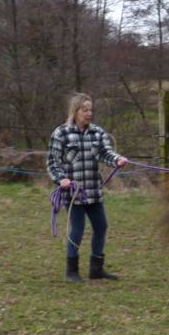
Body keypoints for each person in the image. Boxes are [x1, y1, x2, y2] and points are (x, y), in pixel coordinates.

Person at [47, 93, 129, 282]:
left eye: (90, 110)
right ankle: (72, 270)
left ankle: (96, 269)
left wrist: (117, 159)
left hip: (93, 190)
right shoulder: (61, 133)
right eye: (85, 110)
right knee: (77, 228)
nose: (88, 113)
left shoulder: (97, 133)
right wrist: (61, 179)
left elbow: (105, 153)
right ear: (75, 111)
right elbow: (52, 162)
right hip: (73, 193)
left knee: (101, 225)